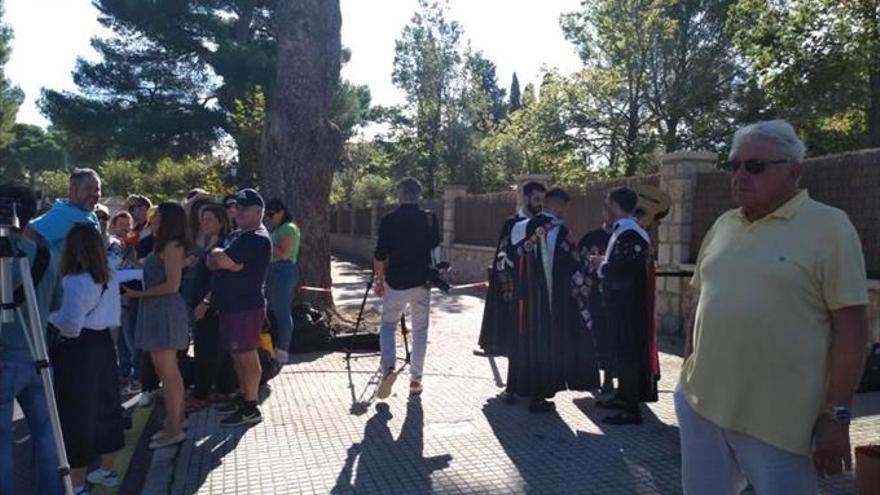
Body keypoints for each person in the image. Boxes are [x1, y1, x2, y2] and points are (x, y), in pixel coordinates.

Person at [677, 120, 869, 494]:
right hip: (702, 403)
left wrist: (837, 416)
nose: (740, 175)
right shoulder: (723, 225)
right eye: (734, 165)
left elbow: (853, 328)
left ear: (793, 171)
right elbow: (699, 302)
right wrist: (686, 370)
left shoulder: (829, 227)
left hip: (779, 422)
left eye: (755, 166)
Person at [48, 224, 138, 494]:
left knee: (77, 414)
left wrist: (49, 318)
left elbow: (71, 326)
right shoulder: (107, 275)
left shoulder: (75, 280)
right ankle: (106, 470)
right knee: (107, 406)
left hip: (77, 350)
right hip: (103, 345)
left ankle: (76, 484)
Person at [506, 187, 598, 413]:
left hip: (525, 300)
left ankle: (519, 388)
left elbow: (510, 257)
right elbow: (573, 263)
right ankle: (538, 396)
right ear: (555, 205)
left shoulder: (520, 226)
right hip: (549, 301)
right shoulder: (558, 229)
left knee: (524, 342)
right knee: (544, 346)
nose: (565, 211)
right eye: (564, 206)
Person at [0, 183, 64, 495]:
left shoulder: (8, 259)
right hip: (37, 356)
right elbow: (56, 303)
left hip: (5, 358)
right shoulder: (44, 253)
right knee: (46, 435)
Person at [124, 202, 191, 449]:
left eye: (157, 216)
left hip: (163, 310)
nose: (152, 219)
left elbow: (172, 285)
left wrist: (137, 295)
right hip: (156, 310)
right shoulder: (162, 244)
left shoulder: (173, 245)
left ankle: (174, 428)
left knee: (168, 373)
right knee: (167, 372)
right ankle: (177, 421)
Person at [589, 187, 658, 426]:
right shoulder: (626, 231)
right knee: (621, 351)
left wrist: (601, 264)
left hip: (628, 306)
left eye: (608, 203)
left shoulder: (630, 233)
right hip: (622, 304)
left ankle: (631, 409)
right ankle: (622, 395)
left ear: (615, 206)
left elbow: (624, 270)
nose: (605, 209)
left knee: (628, 354)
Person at [207, 189, 272, 427]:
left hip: (245, 307)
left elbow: (223, 261)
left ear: (259, 212)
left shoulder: (256, 237)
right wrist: (218, 255)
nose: (239, 212)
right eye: (237, 208)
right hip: (231, 306)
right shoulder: (238, 235)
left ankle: (251, 406)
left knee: (246, 355)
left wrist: (221, 258)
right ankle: (244, 397)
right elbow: (213, 259)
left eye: (245, 208)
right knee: (237, 355)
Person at [373, 178, 441, 399]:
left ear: (399, 195)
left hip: (396, 282)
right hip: (422, 282)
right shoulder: (429, 219)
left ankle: (389, 368)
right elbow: (436, 250)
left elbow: (380, 254)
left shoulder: (389, 220)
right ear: (419, 195)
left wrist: (379, 280)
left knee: (388, 325)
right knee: (420, 331)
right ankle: (415, 381)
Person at [478, 181, 546, 357]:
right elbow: (504, 253)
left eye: (542, 200)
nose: (540, 204)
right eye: (536, 199)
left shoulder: (544, 223)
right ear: (526, 198)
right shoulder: (513, 223)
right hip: (515, 279)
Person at [187, 204, 238, 412]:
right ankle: (224, 389)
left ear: (220, 221)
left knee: (205, 350)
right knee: (218, 350)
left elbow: (221, 279)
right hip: (208, 305)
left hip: (211, 307)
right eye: (202, 219)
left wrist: (206, 303)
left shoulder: (224, 245)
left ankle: (201, 395)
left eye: (208, 219)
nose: (203, 223)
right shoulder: (210, 243)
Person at [576, 206, 615, 394]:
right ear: (604, 213)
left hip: (615, 299)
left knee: (611, 338)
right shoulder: (591, 238)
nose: (612, 216)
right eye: (608, 212)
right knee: (593, 338)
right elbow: (577, 262)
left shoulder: (623, 238)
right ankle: (591, 379)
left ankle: (609, 378)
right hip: (592, 298)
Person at [24, 168, 101, 261]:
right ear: (73, 190)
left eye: (97, 189)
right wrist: (43, 265)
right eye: (88, 188)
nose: (94, 193)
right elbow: (29, 231)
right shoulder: (63, 214)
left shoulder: (90, 215)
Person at [264, 198, 301, 364]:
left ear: (281, 212)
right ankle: (274, 346)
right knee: (272, 308)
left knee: (282, 311)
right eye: (267, 215)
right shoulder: (277, 229)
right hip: (274, 270)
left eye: (272, 214)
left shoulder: (288, 228)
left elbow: (285, 253)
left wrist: (267, 243)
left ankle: (283, 350)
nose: (269, 217)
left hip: (283, 269)